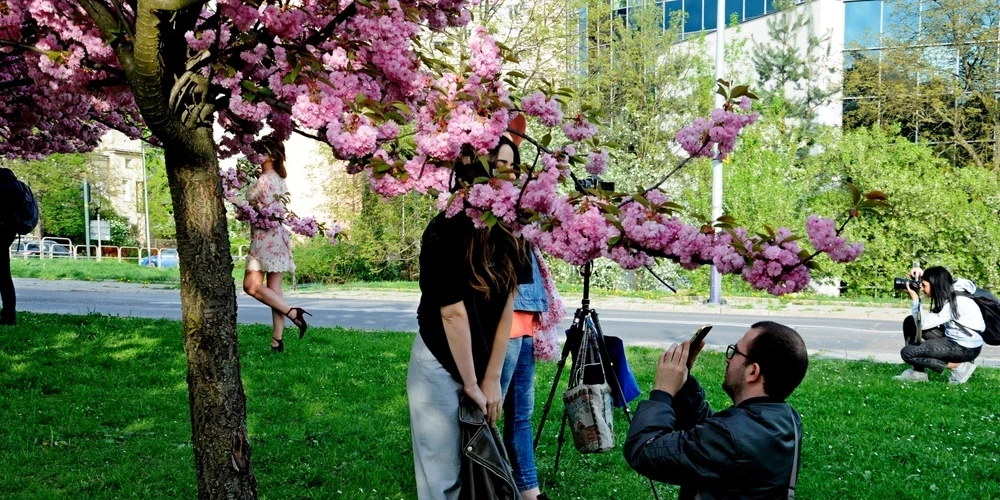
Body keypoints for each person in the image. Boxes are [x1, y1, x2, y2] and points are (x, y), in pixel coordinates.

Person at [407, 136, 529, 500]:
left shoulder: (514, 230)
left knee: (483, 467)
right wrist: (472, 385)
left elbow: (510, 302)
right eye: (497, 165)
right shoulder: (444, 229)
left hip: (486, 360)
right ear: (474, 169)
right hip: (440, 363)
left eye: (511, 167)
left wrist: (491, 379)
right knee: (442, 479)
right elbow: (452, 313)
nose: (506, 175)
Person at [624, 321, 808, 500]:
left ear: (753, 372)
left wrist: (663, 391)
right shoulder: (786, 419)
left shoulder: (730, 438)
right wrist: (683, 380)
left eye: (735, 352)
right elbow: (709, 435)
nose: (728, 358)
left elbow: (643, 451)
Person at [498, 244, 558, 500]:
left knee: (521, 415)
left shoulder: (526, 222)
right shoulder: (497, 217)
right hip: (503, 323)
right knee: (487, 413)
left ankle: (530, 492)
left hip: (525, 322)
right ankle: (479, 482)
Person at [241, 137, 310, 352]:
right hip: (277, 237)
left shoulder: (264, 179)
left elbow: (255, 207)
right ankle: (277, 341)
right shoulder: (279, 178)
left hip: (264, 238)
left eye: (262, 151)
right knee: (274, 292)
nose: (256, 154)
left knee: (250, 286)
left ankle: (292, 313)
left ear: (271, 155)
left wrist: (241, 202)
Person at [895, 266, 984, 384]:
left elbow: (922, 324)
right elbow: (939, 274)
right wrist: (920, 273)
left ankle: (958, 367)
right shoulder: (952, 287)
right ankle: (918, 373)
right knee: (910, 322)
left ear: (935, 284)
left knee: (908, 353)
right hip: (956, 338)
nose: (922, 288)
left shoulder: (958, 301)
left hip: (966, 348)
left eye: (924, 285)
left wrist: (915, 299)